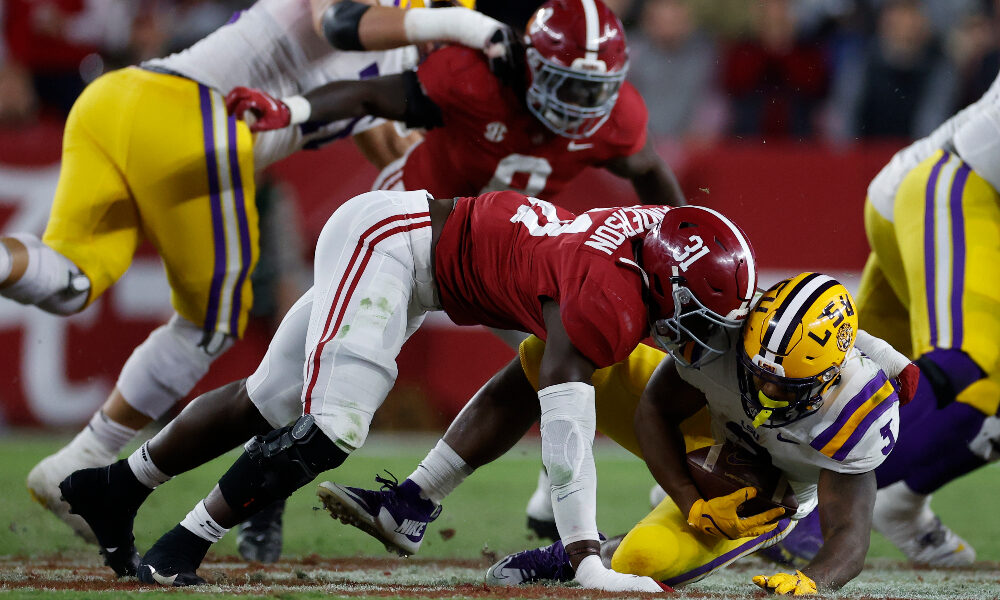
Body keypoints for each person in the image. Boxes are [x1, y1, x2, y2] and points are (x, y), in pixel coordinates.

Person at [13, 0, 509, 564]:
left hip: (119, 103)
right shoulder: (393, 24)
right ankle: (127, 497)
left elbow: (390, 142)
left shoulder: (403, 62)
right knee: (220, 331)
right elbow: (341, 25)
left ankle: (89, 471)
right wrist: (470, 28)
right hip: (187, 112)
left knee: (68, 279)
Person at [61, 189, 753, 588]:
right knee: (335, 426)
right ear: (660, 281)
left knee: (266, 400)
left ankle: (117, 488)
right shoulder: (610, 299)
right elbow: (567, 424)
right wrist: (585, 558)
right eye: (695, 316)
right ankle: (182, 544)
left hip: (415, 257)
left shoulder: (656, 241)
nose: (697, 335)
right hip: (393, 243)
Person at [339, 273, 901, 595]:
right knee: (551, 355)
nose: (762, 387)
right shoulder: (734, 343)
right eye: (755, 370)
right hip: (703, 419)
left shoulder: (854, 411)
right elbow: (653, 409)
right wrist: (685, 496)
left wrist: (813, 583)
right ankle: (416, 497)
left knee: (642, 563)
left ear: (825, 380)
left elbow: (850, 534)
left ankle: (581, 553)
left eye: (780, 387)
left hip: (760, 490)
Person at [763, 58, 1000, 570]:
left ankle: (748, 478)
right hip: (956, 188)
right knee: (965, 367)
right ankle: (809, 520)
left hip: (924, 190)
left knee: (844, 377)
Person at [227, 0, 686, 207]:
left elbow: (648, 168)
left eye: (592, 90)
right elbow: (368, 89)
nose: (578, 105)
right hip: (416, 212)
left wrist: (684, 240)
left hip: (500, 243)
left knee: (564, 343)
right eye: (565, 84)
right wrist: (291, 110)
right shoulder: (476, 75)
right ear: (533, 63)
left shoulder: (617, 116)